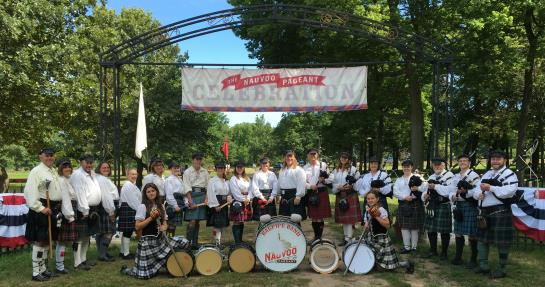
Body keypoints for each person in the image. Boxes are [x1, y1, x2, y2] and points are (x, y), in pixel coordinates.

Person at [121, 183, 189, 279]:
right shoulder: (142, 207)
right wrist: (150, 218)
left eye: (153, 191)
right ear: (145, 194)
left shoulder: (161, 205)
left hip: (161, 241)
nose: (151, 193)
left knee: (183, 242)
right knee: (144, 276)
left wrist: (164, 227)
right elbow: (137, 226)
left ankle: (161, 265)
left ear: (156, 192)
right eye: (148, 192)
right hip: (147, 243)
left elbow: (165, 223)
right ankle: (127, 270)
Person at [473, 150, 518, 278]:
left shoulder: (510, 174)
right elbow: (477, 188)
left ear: (504, 160)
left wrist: (491, 188)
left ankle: (502, 268)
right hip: (484, 212)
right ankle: (483, 265)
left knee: (502, 242)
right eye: (493, 159)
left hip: (500, 211)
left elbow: (509, 191)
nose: (495, 161)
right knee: (482, 240)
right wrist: (478, 194)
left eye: (498, 159)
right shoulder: (487, 173)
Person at [24, 148, 63, 281]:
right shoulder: (36, 171)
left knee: (47, 241)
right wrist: (40, 208)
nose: (49, 158)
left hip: (52, 208)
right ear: (40, 156)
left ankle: (43, 269)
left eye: (51, 155)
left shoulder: (52, 170)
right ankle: (36, 272)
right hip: (42, 209)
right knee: (40, 241)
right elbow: (30, 192)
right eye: (46, 155)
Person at [363, 190, 414, 273]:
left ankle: (406, 264)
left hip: (382, 239)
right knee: (375, 264)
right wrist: (366, 226)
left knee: (385, 267)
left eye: (372, 198)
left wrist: (376, 217)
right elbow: (369, 225)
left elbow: (387, 225)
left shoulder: (381, 210)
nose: (370, 200)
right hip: (372, 238)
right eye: (368, 199)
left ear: (377, 199)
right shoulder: (368, 209)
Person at [70, 154, 101, 270]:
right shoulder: (78, 175)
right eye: (86, 162)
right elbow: (80, 194)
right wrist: (85, 211)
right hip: (83, 209)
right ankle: (77, 263)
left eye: (91, 162)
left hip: (92, 208)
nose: (89, 165)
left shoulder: (92, 174)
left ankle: (83, 260)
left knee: (86, 236)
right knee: (79, 237)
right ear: (81, 162)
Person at [449, 154, 480, 267]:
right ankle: (458, 257)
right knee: (458, 232)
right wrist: (453, 196)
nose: (462, 163)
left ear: (469, 163)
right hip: (459, 205)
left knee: (472, 233)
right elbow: (451, 190)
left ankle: (473, 259)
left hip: (469, 205)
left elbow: (476, 191)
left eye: (465, 161)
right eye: (460, 161)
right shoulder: (455, 176)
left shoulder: (474, 176)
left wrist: (465, 193)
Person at [421, 157, 454, 260]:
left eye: (439, 164)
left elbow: (448, 191)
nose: (437, 166)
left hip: (443, 205)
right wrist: (424, 196)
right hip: (432, 205)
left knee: (444, 231)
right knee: (431, 229)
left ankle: (444, 253)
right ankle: (433, 250)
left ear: (444, 165)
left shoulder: (449, 176)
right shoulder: (431, 176)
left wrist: (435, 187)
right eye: (435, 165)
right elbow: (425, 190)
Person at [393, 159, 427, 253]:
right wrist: (405, 197)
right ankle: (407, 247)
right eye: (404, 166)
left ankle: (414, 248)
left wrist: (417, 189)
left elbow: (425, 187)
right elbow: (395, 192)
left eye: (408, 166)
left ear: (412, 167)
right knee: (404, 227)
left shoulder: (418, 177)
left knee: (414, 227)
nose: (406, 168)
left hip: (415, 203)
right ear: (402, 168)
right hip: (404, 204)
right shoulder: (399, 180)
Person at [330, 152, 361, 246]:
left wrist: (351, 186)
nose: (343, 159)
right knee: (344, 219)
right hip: (340, 194)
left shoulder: (353, 169)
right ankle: (346, 237)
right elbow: (332, 181)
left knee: (349, 220)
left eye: (345, 158)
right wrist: (338, 187)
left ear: (348, 159)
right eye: (342, 157)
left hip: (350, 195)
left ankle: (349, 238)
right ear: (340, 158)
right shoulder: (336, 170)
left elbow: (358, 182)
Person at [183, 152, 210, 249]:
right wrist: (191, 202)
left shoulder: (205, 171)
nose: (198, 161)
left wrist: (206, 198)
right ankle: (188, 243)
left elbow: (208, 186)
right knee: (192, 221)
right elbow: (186, 187)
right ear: (193, 160)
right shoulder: (187, 172)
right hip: (192, 196)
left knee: (198, 221)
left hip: (202, 196)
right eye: (196, 159)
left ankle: (195, 243)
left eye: (200, 159)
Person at [303, 148, 331, 241]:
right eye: (311, 154)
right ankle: (316, 237)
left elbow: (330, 178)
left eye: (315, 154)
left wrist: (324, 180)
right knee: (314, 217)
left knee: (320, 217)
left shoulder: (323, 165)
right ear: (308, 155)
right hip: (311, 192)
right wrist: (310, 186)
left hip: (322, 191)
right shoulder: (304, 168)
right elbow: (302, 182)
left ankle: (319, 237)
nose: (313, 156)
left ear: (317, 155)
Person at [56, 158, 78, 274]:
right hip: (66, 212)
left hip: (70, 210)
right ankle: (59, 266)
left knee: (63, 241)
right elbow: (65, 198)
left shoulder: (68, 179)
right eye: (65, 167)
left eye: (69, 166)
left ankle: (60, 264)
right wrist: (69, 215)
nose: (67, 169)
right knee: (62, 241)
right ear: (60, 168)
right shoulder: (61, 180)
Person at [95, 161, 117, 262]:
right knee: (108, 232)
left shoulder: (102, 179)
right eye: (103, 167)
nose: (106, 169)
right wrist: (111, 212)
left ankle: (102, 253)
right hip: (106, 207)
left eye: (108, 167)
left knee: (100, 232)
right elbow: (107, 197)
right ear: (99, 169)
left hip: (103, 207)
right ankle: (102, 254)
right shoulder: (102, 179)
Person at [206, 161, 231, 247]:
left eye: (222, 168)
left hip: (224, 203)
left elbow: (228, 193)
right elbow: (210, 193)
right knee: (217, 224)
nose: (220, 170)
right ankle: (217, 243)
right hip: (216, 203)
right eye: (219, 168)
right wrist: (215, 205)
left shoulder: (226, 181)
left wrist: (229, 198)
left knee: (222, 224)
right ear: (216, 170)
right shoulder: (212, 180)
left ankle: (219, 241)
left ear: (224, 169)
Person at [118, 168, 141, 259]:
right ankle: (126, 254)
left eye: (135, 174)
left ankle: (122, 251)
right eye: (132, 174)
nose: (134, 176)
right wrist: (140, 210)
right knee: (128, 232)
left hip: (129, 209)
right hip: (129, 208)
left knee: (126, 232)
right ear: (128, 175)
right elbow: (133, 201)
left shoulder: (132, 185)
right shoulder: (128, 185)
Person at [278, 150, 307, 221]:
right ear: (285, 158)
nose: (289, 158)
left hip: (294, 196)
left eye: (291, 156)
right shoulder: (282, 170)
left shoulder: (299, 170)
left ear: (294, 158)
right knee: (284, 220)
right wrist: (278, 194)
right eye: (287, 156)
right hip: (284, 196)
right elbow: (279, 183)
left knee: (295, 221)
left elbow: (302, 183)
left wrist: (298, 196)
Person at [229, 161, 252, 244]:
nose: (240, 168)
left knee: (242, 221)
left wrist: (248, 198)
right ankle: (237, 241)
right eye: (238, 167)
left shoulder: (247, 178)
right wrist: (243, 199)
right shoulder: (233, 178)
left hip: (246, 200)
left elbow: (250, 189)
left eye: (241, 167)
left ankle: (240, 240)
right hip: (237, 201)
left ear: (244, 168)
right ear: (235, 168)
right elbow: (235, 192)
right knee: (237, 221)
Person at [164, 161, 185, 237]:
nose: (177, 169)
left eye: (178, 168)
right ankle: (168, 243)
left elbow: (183, 193)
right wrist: (175, 205)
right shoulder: (169, 180)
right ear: (170, 169)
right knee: (170, 225)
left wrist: (185, 202)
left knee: (174, 225)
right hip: (173, 203)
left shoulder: (179, 179)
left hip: (180, 202)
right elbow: (169, 195)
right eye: (175, 168)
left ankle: (171, 241)